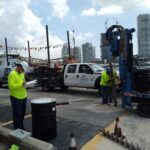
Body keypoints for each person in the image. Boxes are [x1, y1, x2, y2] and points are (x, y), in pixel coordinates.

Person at [8, 61, 29, 130]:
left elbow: (23, 83)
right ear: (19, 67)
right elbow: (11, 86)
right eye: (22, 70)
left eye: (24, 70)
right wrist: (21, 84)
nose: (23, 71)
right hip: (16, 97)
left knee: (22, 113)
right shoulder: (12, 74)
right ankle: (18, 129)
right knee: (17, 114)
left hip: (23, 96)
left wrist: (27, 84)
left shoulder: (22, 74)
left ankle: (21, 127)